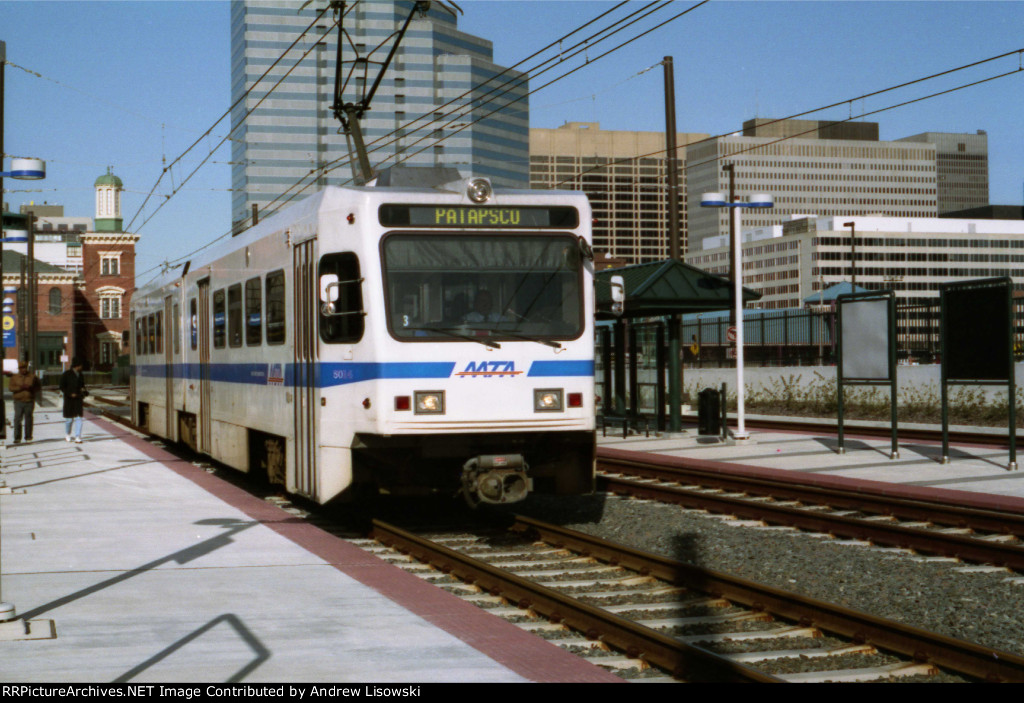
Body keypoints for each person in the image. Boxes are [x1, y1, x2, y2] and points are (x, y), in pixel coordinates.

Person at [9, 360, 41, 444]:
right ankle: (17, 437)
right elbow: (11, 388)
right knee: (17, 419)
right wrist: (21, 387)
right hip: (18, 401)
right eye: (21, 368)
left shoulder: (32, 377)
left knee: (29, 419)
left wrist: (31, 388)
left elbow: (38, 387)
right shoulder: (14, 377)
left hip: (29, 401)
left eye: (24, 368)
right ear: (19, 369)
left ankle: (28, 436)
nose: (23, 370)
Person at [60, 357, 88, 443]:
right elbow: (61, 387)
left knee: (79, 418)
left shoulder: (81, 375)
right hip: (69, 399)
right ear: (77, 366)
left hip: (78, 399)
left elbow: (82, 385)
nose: (82, 367)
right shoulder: (66, 374)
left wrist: (84, 391)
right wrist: (69, 393)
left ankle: (78, 436)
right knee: (69, 419)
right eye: (81, 365)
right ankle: (68, 434)